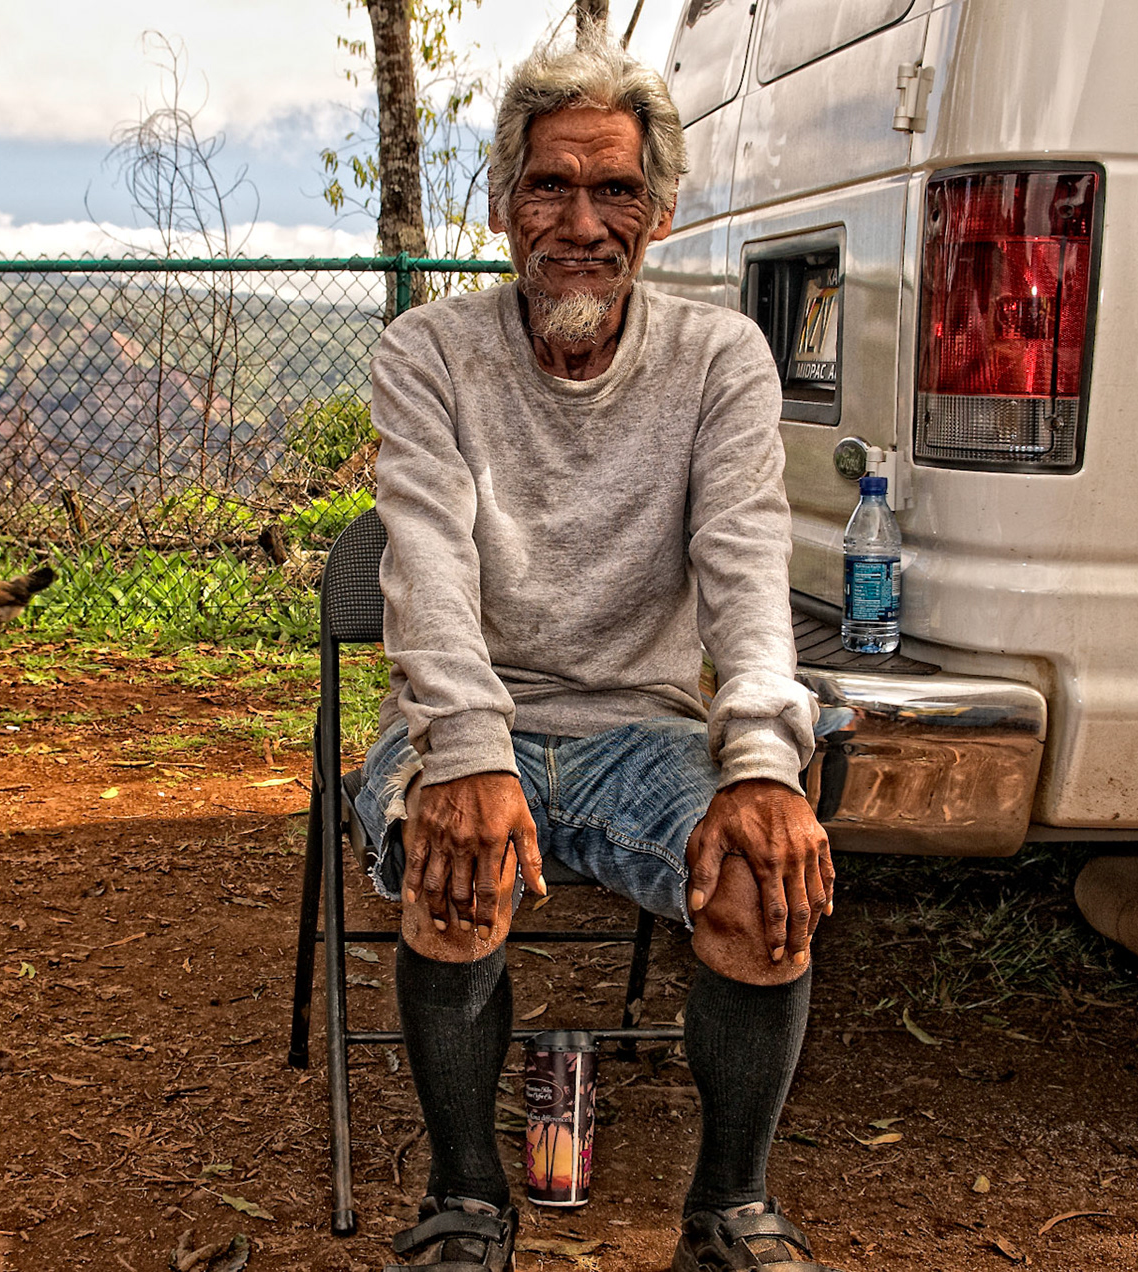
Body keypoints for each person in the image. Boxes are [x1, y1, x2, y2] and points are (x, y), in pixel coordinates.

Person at [352, 34, 837, 1272]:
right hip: (471, 721)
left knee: (758, 891)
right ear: (507, 204)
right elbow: (428, 565)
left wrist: (767, 763)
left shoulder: (719, 359)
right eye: (551, 187)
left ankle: (729, 1212)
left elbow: (745, 567)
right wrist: (463, 751)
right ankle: (468, 1203)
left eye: (615, 189)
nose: (583, 222)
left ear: (660, 212)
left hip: (644, 732)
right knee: (450, 869)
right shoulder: (431, 354)